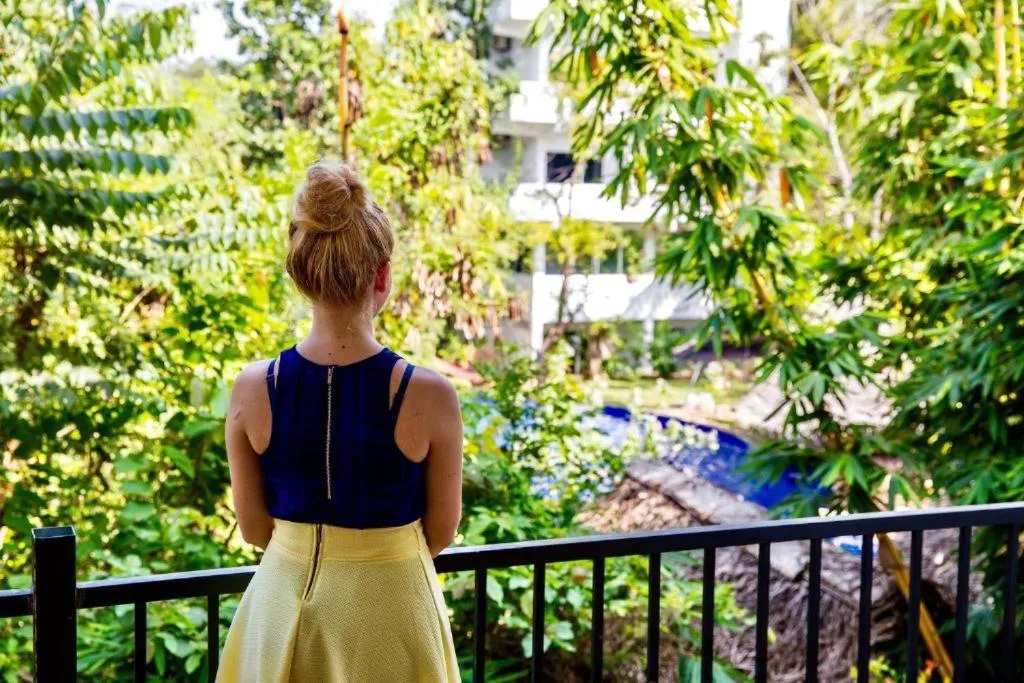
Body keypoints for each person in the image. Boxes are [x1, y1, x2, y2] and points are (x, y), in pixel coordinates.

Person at [217, 161, 464, 682]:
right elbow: (441, 530)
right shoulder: (430, 394)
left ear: (299, 273)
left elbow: (255, 528)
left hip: (281, 605)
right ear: (382, 274)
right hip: (393, 612)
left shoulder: (252, 388)